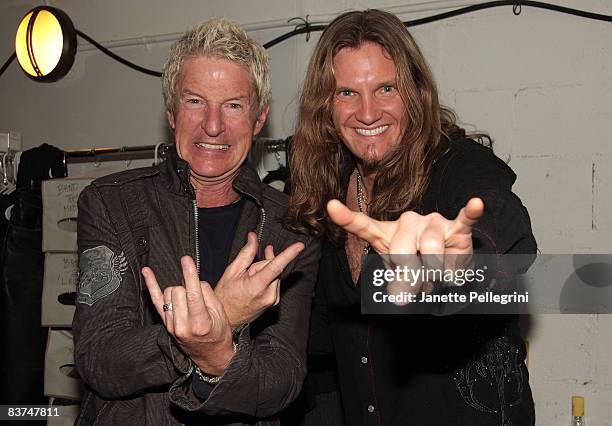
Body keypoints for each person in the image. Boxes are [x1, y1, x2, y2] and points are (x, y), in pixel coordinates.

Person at [286, 9, 536, 426]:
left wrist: (463, 261)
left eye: (386, 88)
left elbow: (502, 228)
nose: (367, 113)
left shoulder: (457, 164)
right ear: (325, 107)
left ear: (415, 92)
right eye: (347, 93)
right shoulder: (330, 197)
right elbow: (329, 331)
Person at [73, 18, 320, 425]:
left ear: (259, 119)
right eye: (195, 101)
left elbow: (283, 380)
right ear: (171, 112)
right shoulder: (111, 203)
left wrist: (214, 356)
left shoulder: (291, 226)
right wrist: (214, 320)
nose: (213, 124)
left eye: (234, 105)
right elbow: (100, 359)